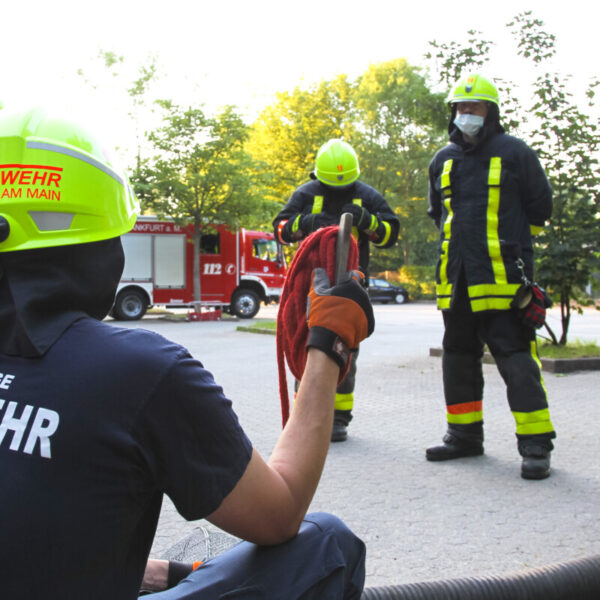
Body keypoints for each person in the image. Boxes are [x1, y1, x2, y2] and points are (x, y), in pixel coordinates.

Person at [0, 107, 373, 599]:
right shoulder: (139, 373)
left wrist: (154, 572)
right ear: (99, 244)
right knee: (327, 543)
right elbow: (280, 514)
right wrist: (327, 343)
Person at [425, 73, 556, 480]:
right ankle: (464, 436)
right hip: (457, 281)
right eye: (460, 109)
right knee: (458, 360)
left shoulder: (515, 153)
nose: (466, 115)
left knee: (516, 361)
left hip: (505, 281)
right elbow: (438, 216)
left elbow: (541, 210)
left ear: (491, 112)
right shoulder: (442, 160)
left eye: (474, 108)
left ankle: (535, 445)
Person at [273, 138, 399, 442]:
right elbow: (279, 228)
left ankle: (338, 419)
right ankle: (305, 411)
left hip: (349, 284)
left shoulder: (366, 196)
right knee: (304, 343)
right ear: (319, 176)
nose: (338, 192)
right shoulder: (306, 193)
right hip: (308, 284)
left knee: (345, 350)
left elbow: (391, 232)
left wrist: (368, 221)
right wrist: (305, 223)